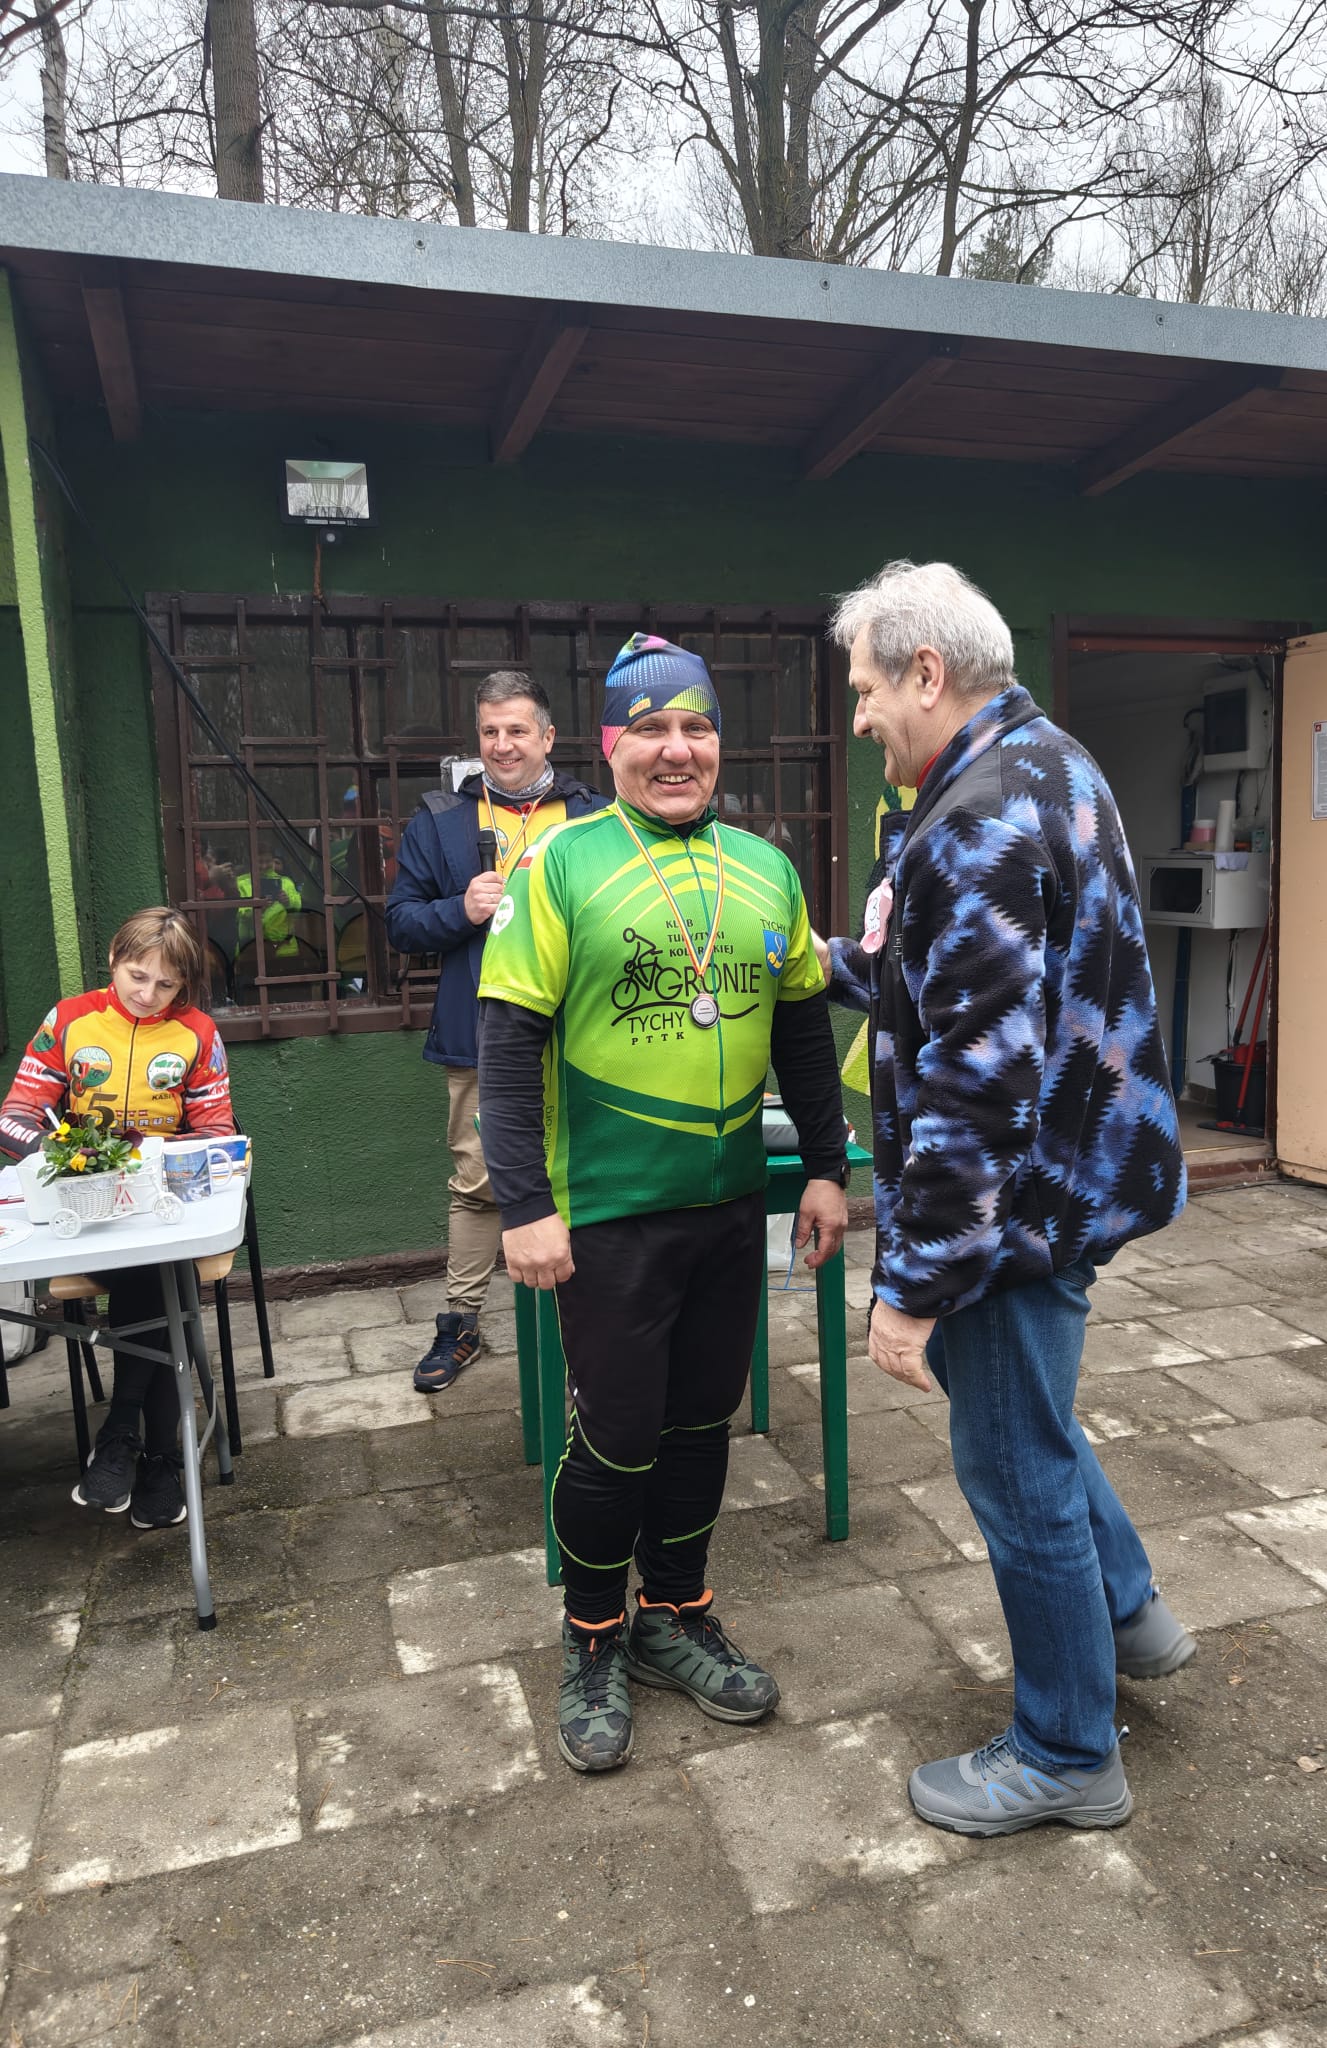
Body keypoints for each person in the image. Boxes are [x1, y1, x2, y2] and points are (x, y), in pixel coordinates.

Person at [816, 560, 1191, 1840]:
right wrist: (824, 963)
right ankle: (1128, 1610)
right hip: (1082, 1177)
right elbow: (978, 975)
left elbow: (976, 1087)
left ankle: (1067, 1750)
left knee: (1011, 1460)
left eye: (866, 687)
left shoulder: (974, 814)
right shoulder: (1047, 761)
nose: (860, 715)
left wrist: (911, 1290)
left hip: (1017, 1214)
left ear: (926, 672)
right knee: (1034, 1415)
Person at [476, 633, 849, 1775]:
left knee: (703, 1423)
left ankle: (675, 1611)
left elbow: (802, 1029)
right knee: (618, 1435)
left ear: (718, 742)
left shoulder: (767, 867)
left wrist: (825, 1167)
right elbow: (507, 1047)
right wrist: (523, 1205)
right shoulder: (560, 864)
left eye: (695, 727)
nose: (676, 750)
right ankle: (593, 1633)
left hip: (728, 1206)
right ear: (610, 744)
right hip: (607, 1213)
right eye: (651, 729)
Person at [386, 673, 604, 1392]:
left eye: (517, 730)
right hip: (479, 1033)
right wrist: (461, 909)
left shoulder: (593, 814)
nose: (503, 745)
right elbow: (399, 923)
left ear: (548, 736)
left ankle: (589, 1322)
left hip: (584, 1033)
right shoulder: (441, 820)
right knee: (479, 1180)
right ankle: (461, 1323)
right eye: (490, 732)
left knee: (587, 1174)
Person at [0, 907, 235, 1530]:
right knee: (154, 1282)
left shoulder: (199, 1032)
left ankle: (122, 1436)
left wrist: (159, 1159)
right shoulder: (68, 1019)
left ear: (184, 985)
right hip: (85, 1210)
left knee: (154, 1267)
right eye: (137, 976)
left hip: (165, 1210)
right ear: (113, 959)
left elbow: (217, 1132)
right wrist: (66, 1156)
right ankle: (160, 1459)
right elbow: (14, 1115)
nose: (148, 994)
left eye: (166, 985)